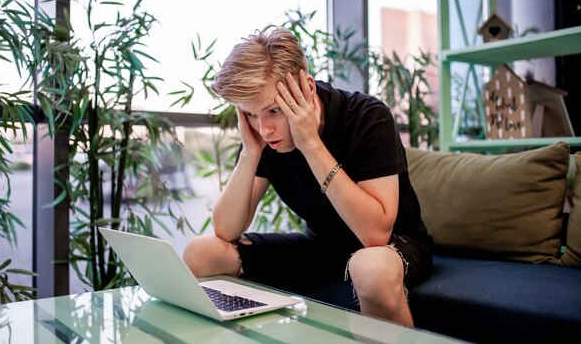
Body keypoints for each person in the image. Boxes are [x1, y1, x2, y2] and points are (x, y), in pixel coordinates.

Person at [182, 25, 433, 326]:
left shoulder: (367, 116)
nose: (264, 129)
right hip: (322, 248)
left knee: (369, 266)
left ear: (307, 90)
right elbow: (225, 229)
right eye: (250, 114)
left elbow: (375, 234)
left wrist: (310, 143)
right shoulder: (263, 136)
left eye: (274, 111)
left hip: (391, 246)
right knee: (201, 252)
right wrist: (251, 153)